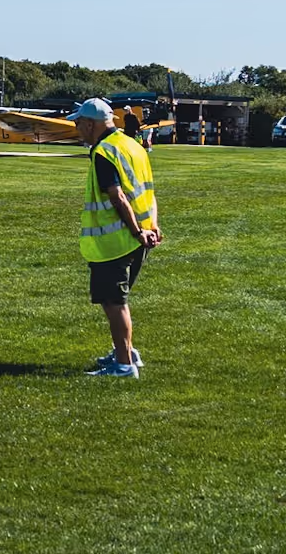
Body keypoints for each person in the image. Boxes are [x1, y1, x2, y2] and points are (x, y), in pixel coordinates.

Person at [68, 97, 163, 379]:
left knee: (114, 302)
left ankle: (123, 365)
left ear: (90, 123)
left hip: (116, 242)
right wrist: (152, 226)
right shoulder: (133, 145)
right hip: (139, 238)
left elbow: (117, 196)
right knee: (117, 300)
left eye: (78, 123)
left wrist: (136, 231)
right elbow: (150, 191)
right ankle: (126, 351)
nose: (77, 129)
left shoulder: (103, 153)